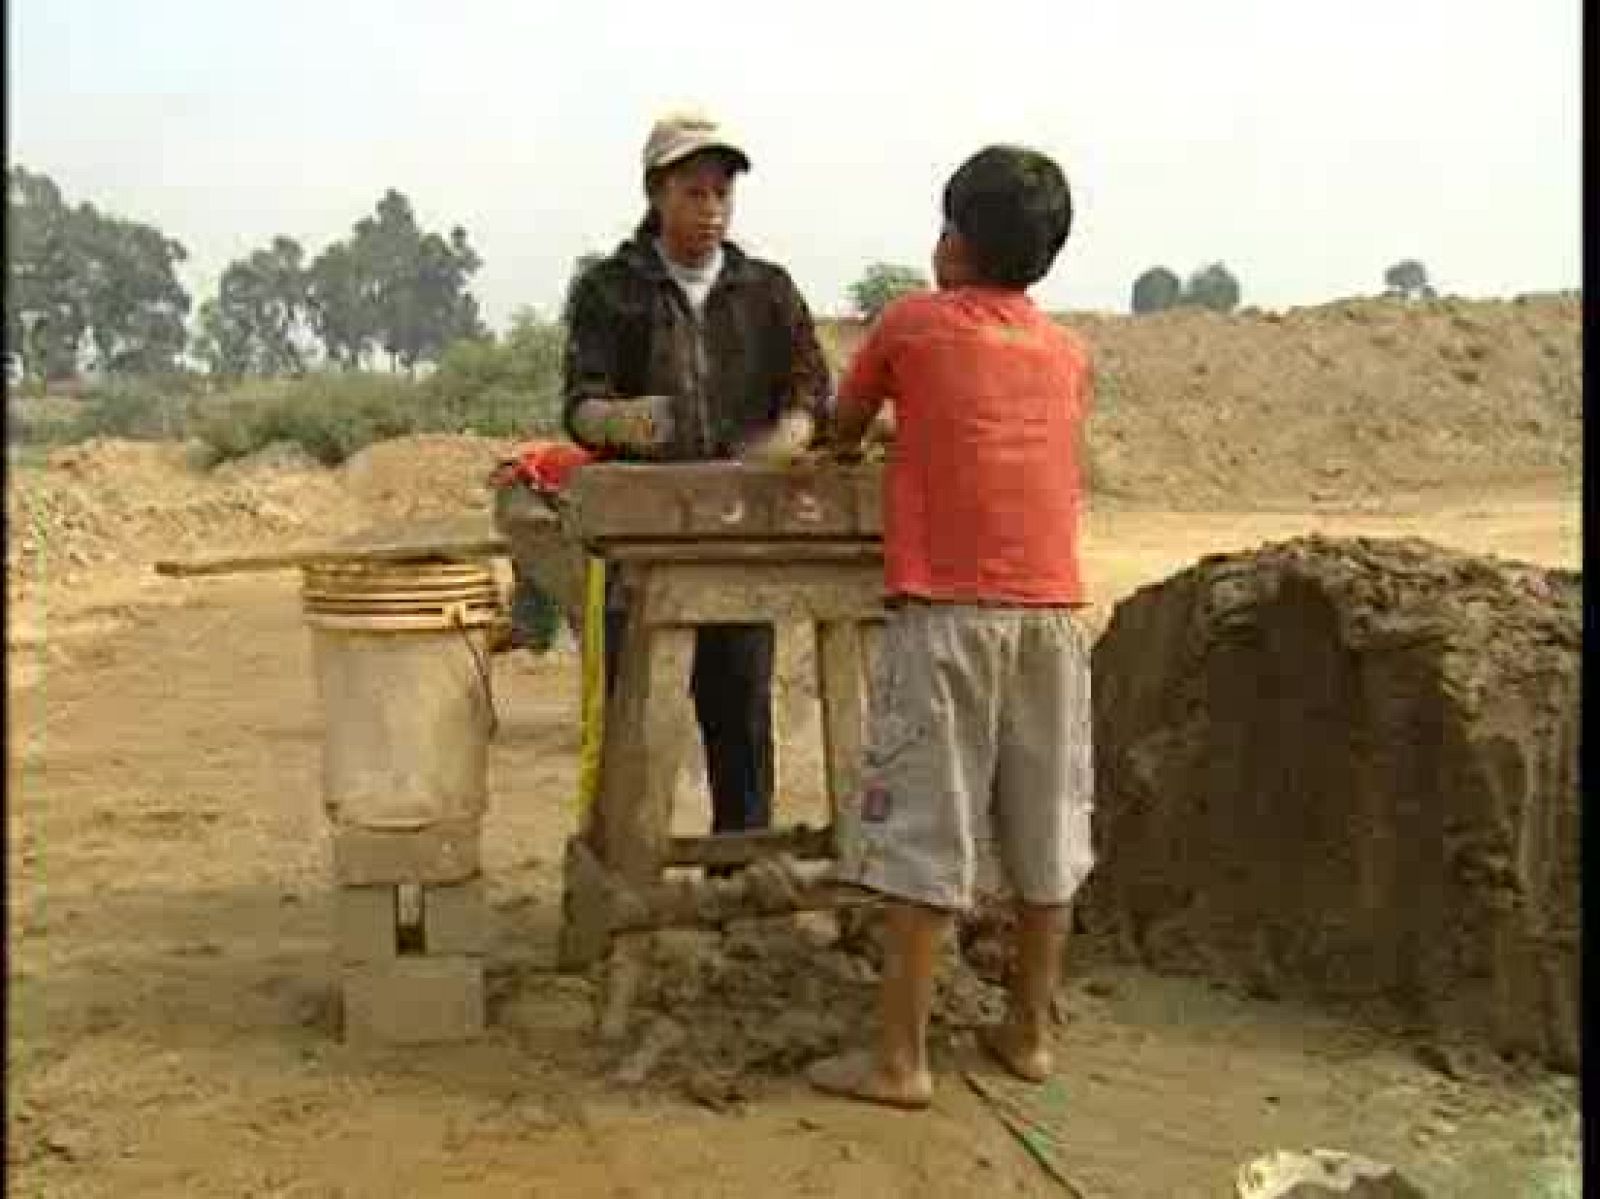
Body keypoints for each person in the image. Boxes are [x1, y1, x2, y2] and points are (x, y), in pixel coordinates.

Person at [807, 145, 1094, 1108]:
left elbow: (840, 431)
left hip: (948, 615)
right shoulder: (1066, 352)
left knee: (927, 837)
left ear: (955, 241)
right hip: (1052, 613)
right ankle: (1029, 1033)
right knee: (1048, 828)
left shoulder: (910, 325)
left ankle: (900, 1060)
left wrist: (876, 440)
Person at [560, 108, 832, 839]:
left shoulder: (767, 290)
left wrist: (795, 430)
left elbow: (810, 383)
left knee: (740, 717)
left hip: (738, 540)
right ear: (656, 194)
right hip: (642, 547)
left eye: (721, 194)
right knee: (637, 719)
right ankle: (625, 874)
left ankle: (739, 876)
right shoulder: (611, 290)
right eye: (694, 194)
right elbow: (579, 403)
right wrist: (618, 421)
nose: (711, 210)